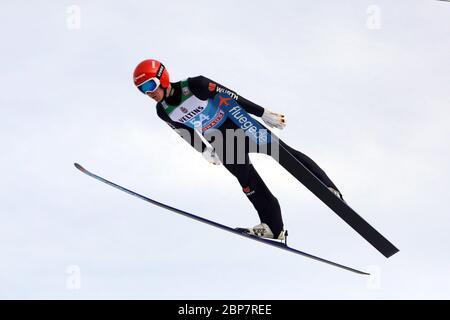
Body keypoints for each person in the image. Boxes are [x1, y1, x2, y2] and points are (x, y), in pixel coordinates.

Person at [133, 59, 344, 241]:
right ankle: (273, 227)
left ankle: (327, 188)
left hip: (238, 124)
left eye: (150, 84)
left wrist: (261, 112)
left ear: (163, 77)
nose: (149, 92)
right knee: (247, 181)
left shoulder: (195, 85)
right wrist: (204, 150)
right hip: (221, 140)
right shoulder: (163, 111)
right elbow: (184, 131)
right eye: (142, 89)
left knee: (283, 153)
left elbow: (231, 96)